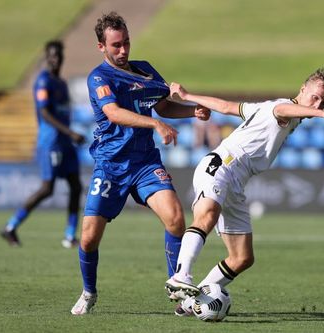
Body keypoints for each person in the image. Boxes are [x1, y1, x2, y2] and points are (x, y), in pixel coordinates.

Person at [164, 68, 324, 316]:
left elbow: (227, 107)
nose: (318, 103)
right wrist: (321, 113)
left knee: (242, 257)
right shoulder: (282, 108)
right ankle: (180, 276)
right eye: (314, 97)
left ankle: (191, 301)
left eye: (323, 102)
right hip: (221, 166)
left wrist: (188, 95)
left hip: (236, 181)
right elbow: (284, 111)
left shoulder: (268, 108)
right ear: (302, 89)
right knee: (207, 216)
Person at [70, 12, 210, 315]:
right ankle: (89, 291)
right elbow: (114, 113)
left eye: (127, 43)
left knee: (175, 217)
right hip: (111, 165)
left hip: (145, 162)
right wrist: (154, 124)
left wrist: (191, 112)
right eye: (116, 45)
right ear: (101, 47)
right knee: (89, 237)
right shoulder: (99, 77)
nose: (123, 51)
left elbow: (161, 105)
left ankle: (179, 290)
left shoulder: (145, 70)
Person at [0, 40, 85, 248]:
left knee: (76, 186)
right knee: (47, 189)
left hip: (65, 142)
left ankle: (70, 235)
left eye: (58, 55)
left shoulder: (62, 84)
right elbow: (45, 113)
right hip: (51, 143)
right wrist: (70, 132)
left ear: (62, 58)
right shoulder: (43, 82)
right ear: (46, 58)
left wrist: (69, 134)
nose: (55, 59)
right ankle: (11, 226)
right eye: (51, 55)